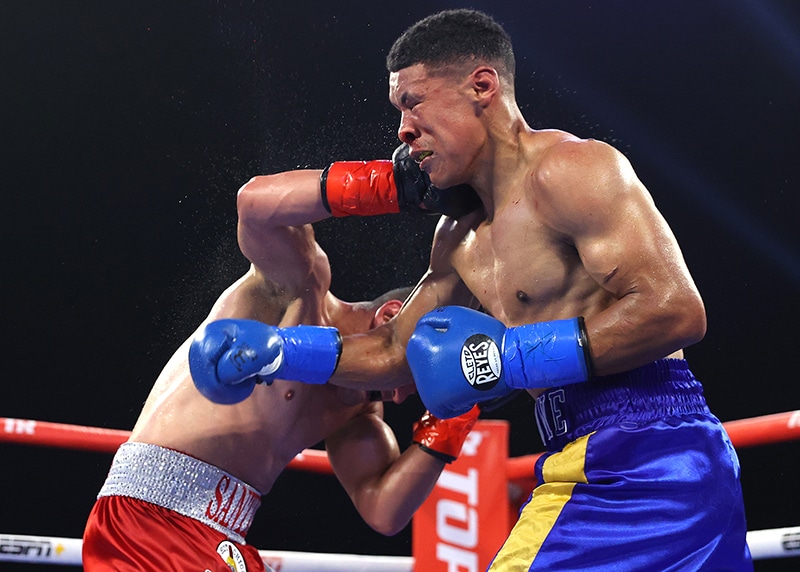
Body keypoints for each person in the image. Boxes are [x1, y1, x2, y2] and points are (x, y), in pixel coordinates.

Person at [192, 8, 752, 571]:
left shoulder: (573, 171)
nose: (402, 129)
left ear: (482, 86)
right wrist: (279, 352)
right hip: (584, 448)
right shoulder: (458, 235)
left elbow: (677, 311)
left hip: (649, 451)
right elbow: (392, 351)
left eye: (413, 103)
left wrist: (508, 360)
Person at [81, 163, 481, 571]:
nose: (400, 396)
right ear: (389, 316)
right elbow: (254, 203)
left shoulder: (357, 411)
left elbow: (383, 510)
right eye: (410, 376)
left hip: (221, 539)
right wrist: (395, 186)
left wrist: (456, 414)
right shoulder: (302, 289)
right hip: (151, 518)